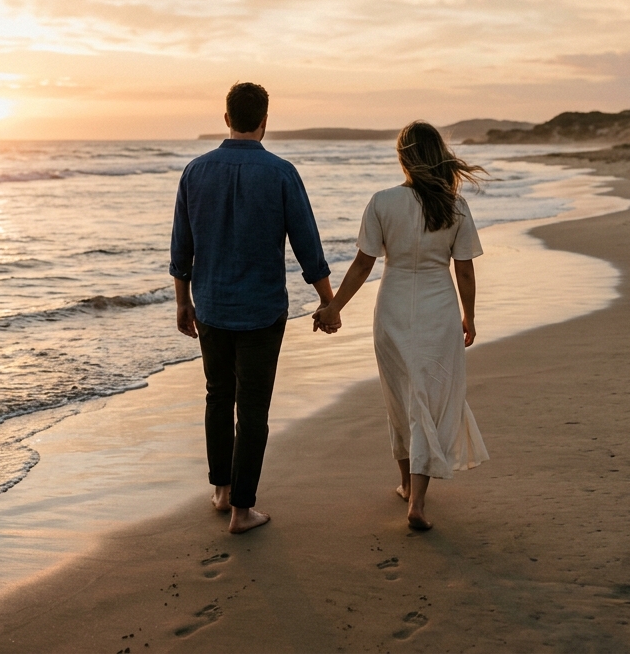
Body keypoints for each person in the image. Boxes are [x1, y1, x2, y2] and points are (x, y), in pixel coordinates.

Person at [170, 82, 334, 534]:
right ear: (265, 120)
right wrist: (328, 301)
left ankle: (221, 491)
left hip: (211, 306)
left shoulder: (195, 171)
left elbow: (181, 249)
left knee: (218, 396)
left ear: (226, 119)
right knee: (253, 408)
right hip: (262, 309)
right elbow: (308, 245)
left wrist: (183, 302)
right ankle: (243, 510)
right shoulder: (281, 172)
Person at [313, 121, 489, 530]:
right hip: (439, 308)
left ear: (404, 157)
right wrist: (470, 315)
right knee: (429, 397)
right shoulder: (455, 206)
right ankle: (418, 500)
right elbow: (464, 271)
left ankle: (406, 487)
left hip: (391, 308)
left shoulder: (382, 202)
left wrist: (334, 306)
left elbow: (362, 265)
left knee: (401, 398)